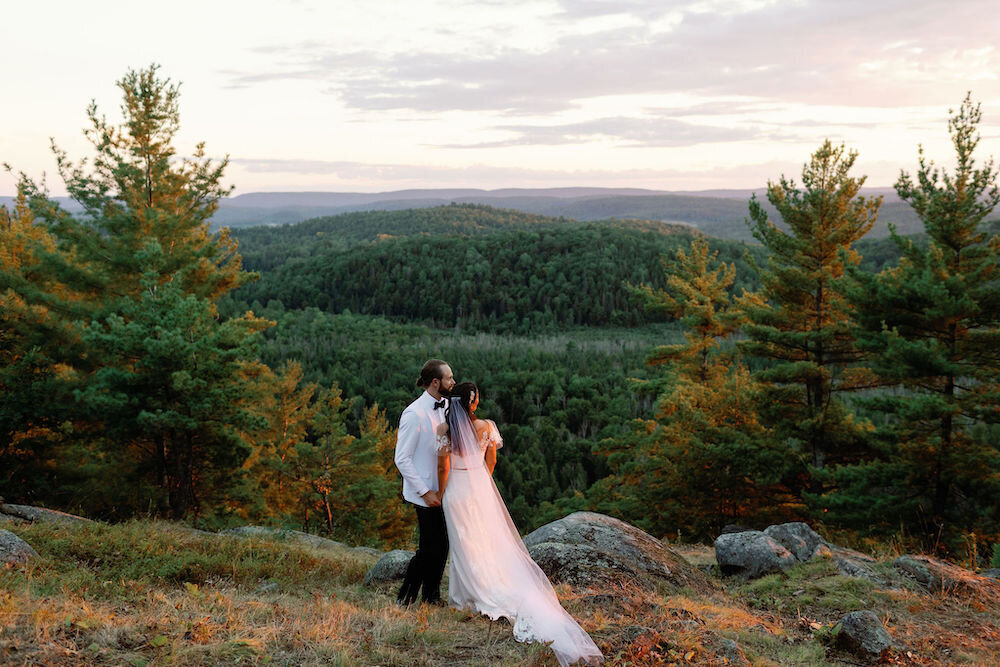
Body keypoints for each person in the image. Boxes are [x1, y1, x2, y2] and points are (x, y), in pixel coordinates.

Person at [435, 382, 603, 667]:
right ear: (473, 403)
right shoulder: (487, 427)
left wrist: (441, 493)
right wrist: (481, 480)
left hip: (456, 491)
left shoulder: (443, 430)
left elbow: (443, 467)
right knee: (486, 539)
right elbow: (492, 460)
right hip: (479, 488)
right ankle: (481, 589)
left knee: (463, 541)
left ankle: (465, 596)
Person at [394, 358, 455, 606]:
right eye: (449, 378)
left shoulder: (449, 405)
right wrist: (425, 491)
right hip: (424, 492)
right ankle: (405, 597)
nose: (453, 381)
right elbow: (402, 459)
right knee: (430, 548)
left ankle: (431, 597)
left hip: (444, 489)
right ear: (435, 382)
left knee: (442, 546)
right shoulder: (414, 414)